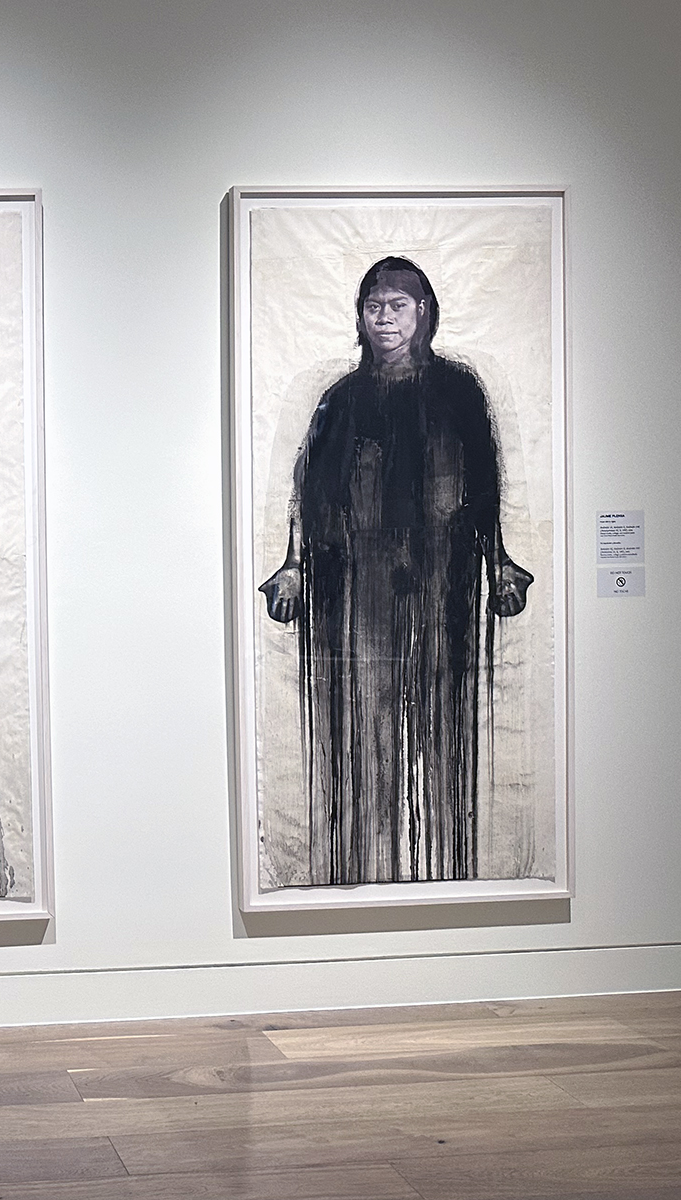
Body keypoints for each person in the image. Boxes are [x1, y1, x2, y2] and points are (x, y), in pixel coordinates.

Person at [260, 257, 532, 886]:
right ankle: (363, 880)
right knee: (363, 735)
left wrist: (499, 564)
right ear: (360, 316)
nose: (384, 318)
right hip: (359, 588)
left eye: (397, 306)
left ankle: (447, 883)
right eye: (374, 306)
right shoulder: (341, 399)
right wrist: (295, 565)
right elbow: (311, 491)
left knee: (443, 731)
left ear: (424, 313)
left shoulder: (460, 391)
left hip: (445, 580)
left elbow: (485, 485)